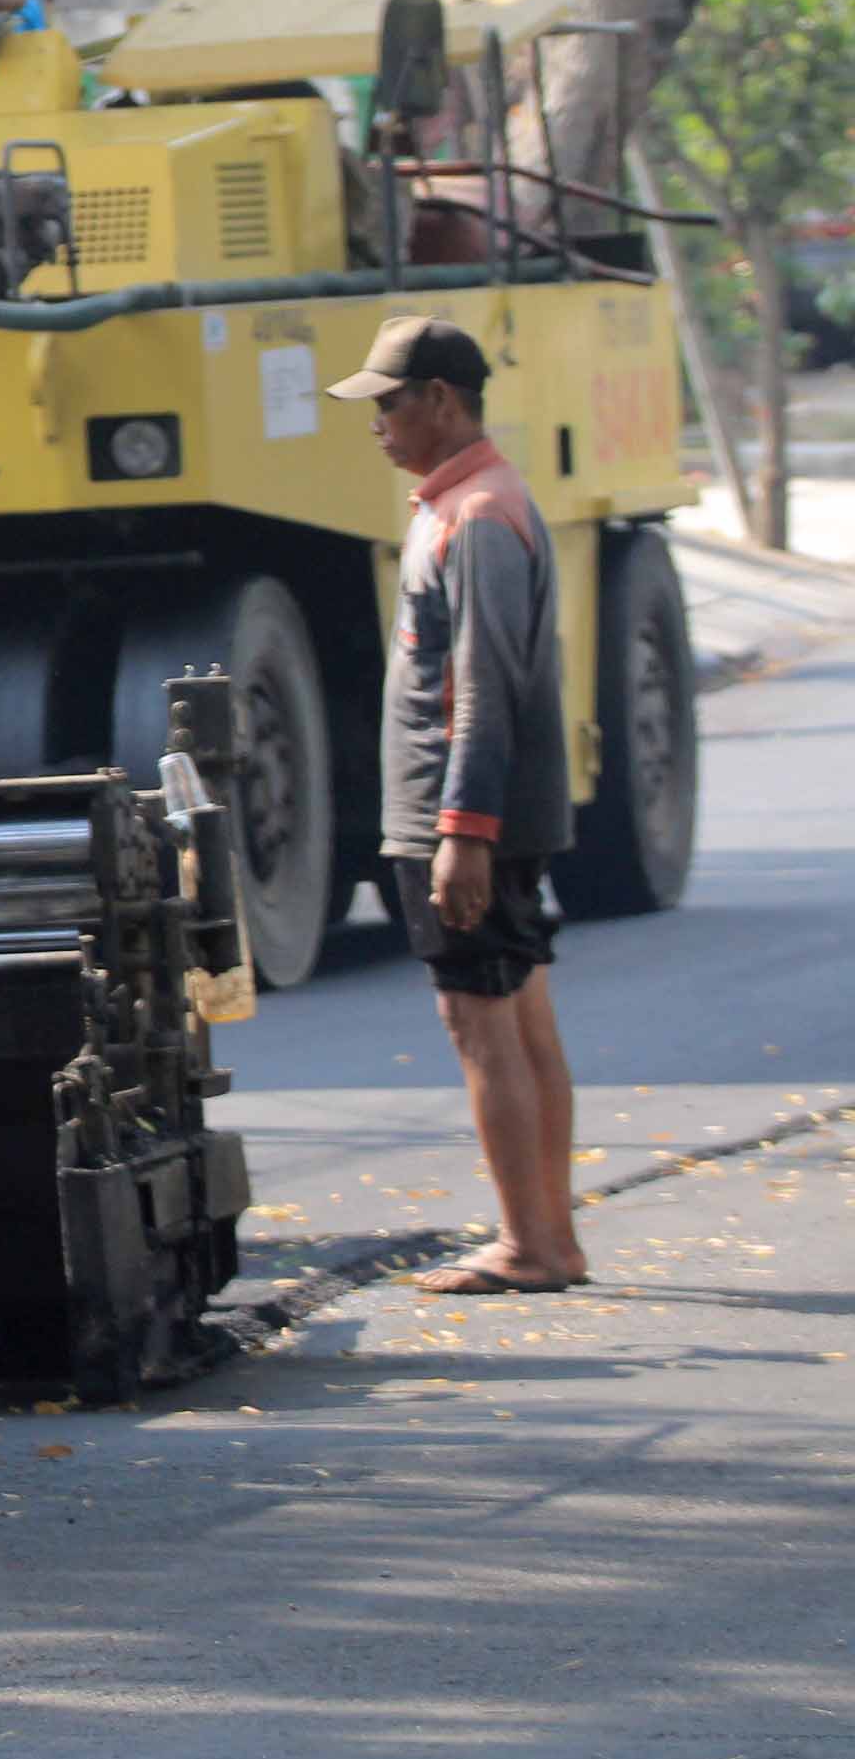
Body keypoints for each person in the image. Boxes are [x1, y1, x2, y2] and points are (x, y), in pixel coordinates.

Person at [329, 312, 586, 1295]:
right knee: (519, 1012)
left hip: (463, 815)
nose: (377, 424)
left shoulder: (477, 516)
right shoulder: (465, 503)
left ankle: (530, 1244)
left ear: (441, 400)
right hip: (474, 815)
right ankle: (552, 1237)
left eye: (389, 403)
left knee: (479, 1021)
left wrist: (461, 834)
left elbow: (481, 687)